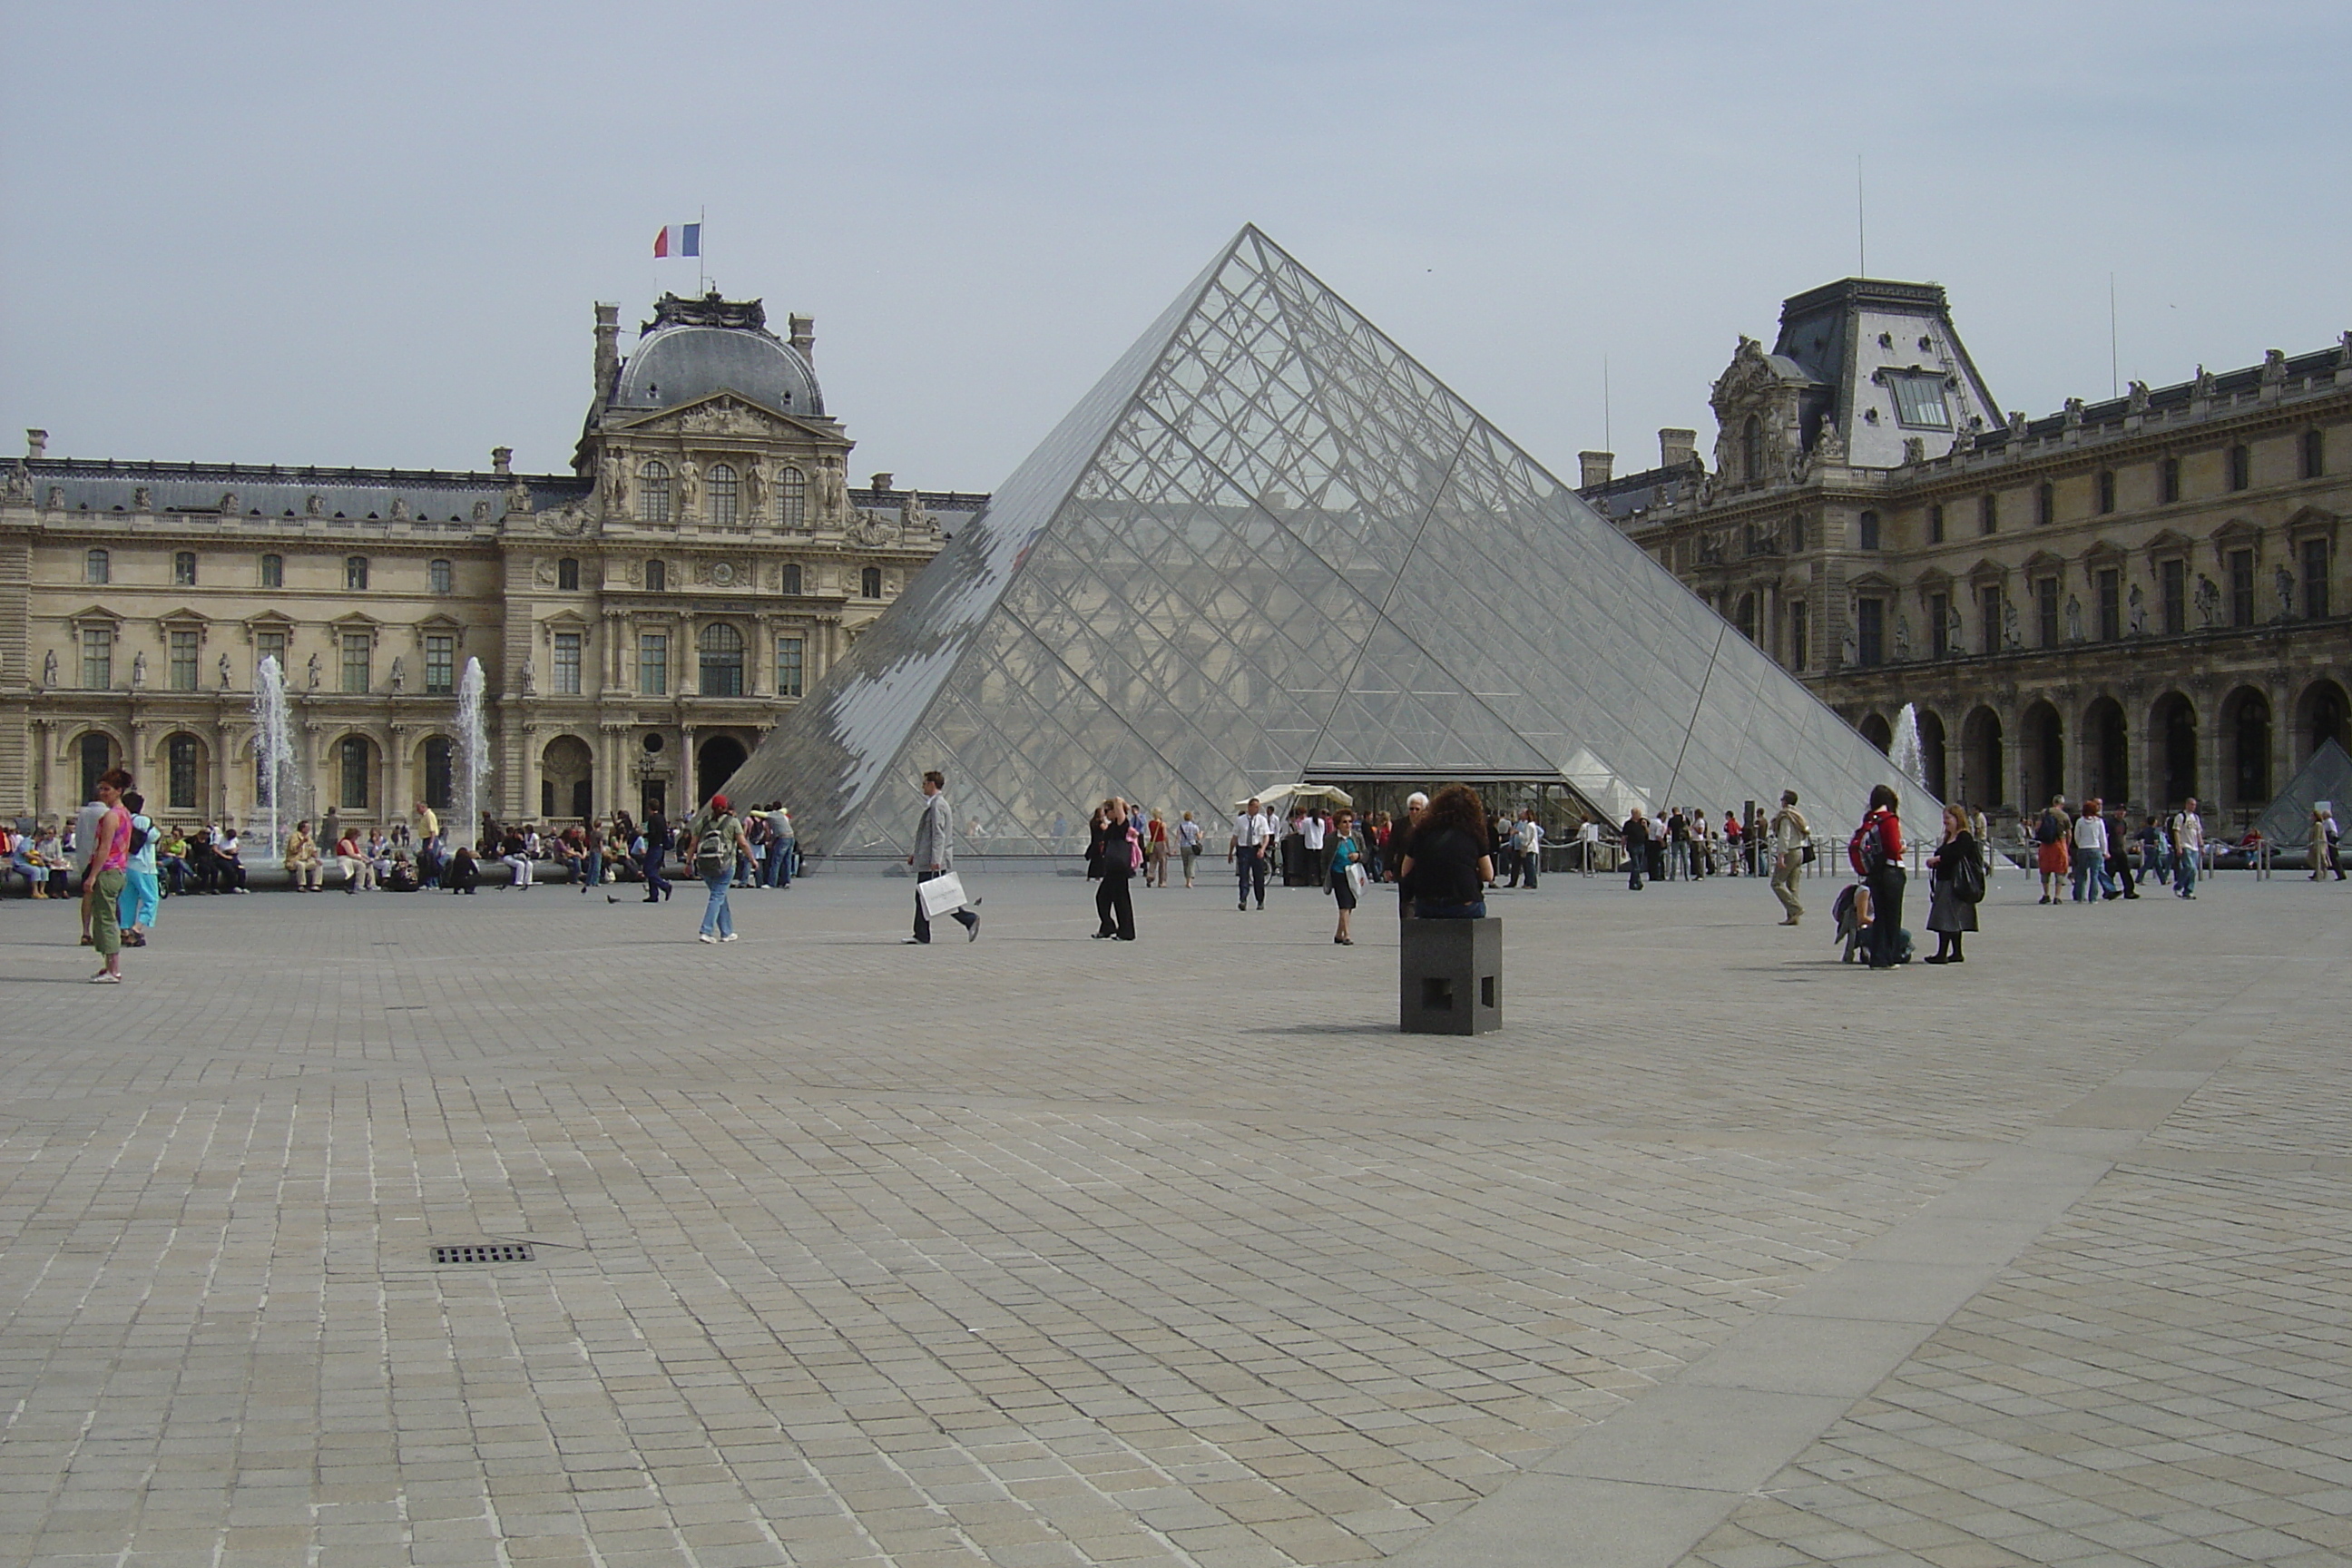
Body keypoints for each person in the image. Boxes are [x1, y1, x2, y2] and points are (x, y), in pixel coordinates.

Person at [1400, 784, 1494, 919]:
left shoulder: (1421, 832)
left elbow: (1405, 871)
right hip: (1464, 903)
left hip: (1427, 903)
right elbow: (1488, 875)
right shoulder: (1474, 833)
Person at [906, 769, 979, 944]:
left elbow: (938, 835)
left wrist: (935, 860)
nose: (922, 786)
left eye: (924, 783)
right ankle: (922, 934)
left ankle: (966, 919)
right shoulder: (938, 804)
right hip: (932, 858)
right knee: (930, 896)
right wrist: (916, 855)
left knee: (930, 896)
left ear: (932, 784)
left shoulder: (937, 805)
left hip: (934, 861)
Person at [83, 769, 134, 983]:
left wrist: (92, 875)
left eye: (106, 789)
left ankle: (114, 969)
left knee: (105, 919)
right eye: (100, 788)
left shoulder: (112, 816)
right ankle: (108, 966)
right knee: (106, 916)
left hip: (107, 871)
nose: (102, 793)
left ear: (118, 790)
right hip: (119, 870)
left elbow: (103, 848)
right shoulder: (125, 814)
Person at [1852, 785, 1906, 969]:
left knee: (1880, 915)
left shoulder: (1870, 819)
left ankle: (1876, 956)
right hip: (1891, 871)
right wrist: (1901, 848)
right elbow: (1893, 848)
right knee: (1892, 916)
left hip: (1874, 873)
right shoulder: (1889, 820)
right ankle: (1888, 957)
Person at [688, 792, 753, 944]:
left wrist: (688, 863)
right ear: (725, 807)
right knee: (717, 896)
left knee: (719, 896)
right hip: (725, 864)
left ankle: (727, 932)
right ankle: (706, 930)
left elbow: (693, 844)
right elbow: (743, 843)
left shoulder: (702, 822)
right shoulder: (733, 822)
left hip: (705, 865)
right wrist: (752, 859)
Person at [1925, 803, 1979, 964]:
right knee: (1954, 919)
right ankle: (1956, 952)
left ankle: (1942, 954)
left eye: (1948, 818)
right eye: (1944, 818)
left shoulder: (1964, 837)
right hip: (1945, 881)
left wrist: (1938, 859)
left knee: (1946, 919)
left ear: (1957, 818)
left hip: (1955, 883)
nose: (1945, 822)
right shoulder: (1949, 837)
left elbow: (1956, 855)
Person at [1089, 797, 1139, 940]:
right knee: (1102, 898)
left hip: (1119, 868)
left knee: (1121, 900)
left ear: (1115, 811)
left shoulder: (1121, 824)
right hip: (1112, 868)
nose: (1105, 813)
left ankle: (1126, 932)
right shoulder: (1111, 826)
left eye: (1107, 810)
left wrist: (1121, 804)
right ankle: (1108, 926)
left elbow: (1118, 800)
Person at [117, 790, 161, 947]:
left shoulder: (122, 819)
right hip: (144, 865)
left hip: (127, 864)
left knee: (127, 899)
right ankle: (138, 927)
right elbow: (154, 837)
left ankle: (125, 930)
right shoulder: (143, 820)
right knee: (152, 899)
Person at [1769, 789, 1809, 925]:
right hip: (1799, 851)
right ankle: (1793, 917)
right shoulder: (1798, 815)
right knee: (1793, 886)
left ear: (1785, 801)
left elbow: (1784, 837)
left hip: (1790, 852)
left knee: (1776, 883)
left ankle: (1796, 909)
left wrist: (1781, 855)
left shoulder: (1786, 817)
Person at [1230, 796, 1276, 912]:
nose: (1257, 809)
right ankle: (1243, 900)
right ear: (1249, 807)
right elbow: (1235, 837)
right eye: (1255, 807)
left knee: (1259, 877)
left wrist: (1262, 849)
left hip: (1256, 849)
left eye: (1258, 807)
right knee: (1243, 876)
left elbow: (1266, 836)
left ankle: (1260, 900)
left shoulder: (1261, 820)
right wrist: (1230, 852)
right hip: (1243, 849)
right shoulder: (1240, 820)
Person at [1328, 808, 1365, 944]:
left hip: (1353, 874)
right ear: (1338, 824)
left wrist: (1358, 856)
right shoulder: (1331, 839)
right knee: (1344, 904)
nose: (1347, 825)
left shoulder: (1356, 837)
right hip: (1338, 873)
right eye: (1344, 822)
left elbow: (1366, 854)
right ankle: (1347, 935)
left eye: (1349, 822)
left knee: (1350, 904)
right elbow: (1325, 857)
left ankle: (1338, 933)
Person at [1391, 791, 1427, 920]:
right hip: (1404, 870)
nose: (1413, 812)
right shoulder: (1400, 825)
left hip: (1424, 870)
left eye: (1417, 809)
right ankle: (1406, 927)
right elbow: (1391, 846)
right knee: (1405, 903)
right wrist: (1387, 868)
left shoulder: (1429, 825)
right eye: (1411, 809)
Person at [2071, 798, 2112, 903]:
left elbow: (2076, 836)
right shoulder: (2099, 822)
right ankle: (2093, 898)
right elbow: (2102, 838)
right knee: (2094, 874)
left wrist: (2081, 845)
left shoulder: (2080, 821)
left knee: (2081, 874)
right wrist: (2105, 851)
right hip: (2095, 848)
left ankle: (2080, 897)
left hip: (2083, 849)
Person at [2033, 796, 2071, 905]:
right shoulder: (2064, 815)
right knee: (2060, 870)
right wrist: (2067, 846)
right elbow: (2069, 833)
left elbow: (2037, 827)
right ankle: (2057, 896)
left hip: (2045, 844)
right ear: (2062, 804)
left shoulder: (2044, 812)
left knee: (2045, 870)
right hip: (2059, 843)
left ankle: (2046, 894)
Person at [2171, 799, 2204, 898]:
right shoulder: (2181, 816)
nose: (2193, 806)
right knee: (2190, 867)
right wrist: (2178, 846)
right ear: (2186, 805)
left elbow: (2198, 832)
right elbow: (2176, 831)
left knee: (2193, 870)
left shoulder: (2196, 818)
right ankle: (2178, 886)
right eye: (2191, 804)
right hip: (2185, 845)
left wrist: (2201, 845)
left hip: (2194, 847)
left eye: (2194, 805)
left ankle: (2188, 891)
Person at [639, 808, 671, 902]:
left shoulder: (652, 819)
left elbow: (653, 833)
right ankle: (653, 895)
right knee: (654, 870)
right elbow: (665, 832)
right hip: (661, 847)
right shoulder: (662, 818)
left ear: (649, 808)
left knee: (648, 870)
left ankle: (665, 886)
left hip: (654, 847)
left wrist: (645, 835)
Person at [282, 820, 323, 891]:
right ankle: (301, 885)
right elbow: (293, 849)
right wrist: (302, 842)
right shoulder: (294, 836)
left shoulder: (309, 838)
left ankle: (316, 885)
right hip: (294, 860)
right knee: (301, 865)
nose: (309, 829)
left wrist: (317, 859)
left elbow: (313, 850)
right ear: (302, 828)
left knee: (318, 864)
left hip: (306, 860)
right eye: (308, 827)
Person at [337, 827, 378, 892]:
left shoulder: (353, 842)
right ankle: (359, 884)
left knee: (369, 865)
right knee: (361, 865)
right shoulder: (346, 842)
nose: (357, 838)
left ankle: (371, 884)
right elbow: (351, 854)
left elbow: (359, 852)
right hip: (345, 859)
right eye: (356, 836)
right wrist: (362, 859)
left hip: (352, 858)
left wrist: (367, 858)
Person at [1622, 806, 1651, 891]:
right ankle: (1638, 882)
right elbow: (1624, 837)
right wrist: (1622, 849)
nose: (1640, 815)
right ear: (1633, 814)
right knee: (1636, 865)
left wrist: (1645, 826)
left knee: (1638, 866)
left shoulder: (1643, 822)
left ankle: (1632, 883)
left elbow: (1648, 834)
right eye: (1638, 814)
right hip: (1632, 845)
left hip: (1641, 845)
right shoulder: (1628, 824)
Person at [2313, 805, 2345, 880]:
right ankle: (2316, 873)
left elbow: (2333, 832)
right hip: (2327, 842)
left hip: (2330, 842)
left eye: (2323, 814)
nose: (2322, 816)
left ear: (2326, 815)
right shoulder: (2327, 822)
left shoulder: (2329, 822)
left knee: (2333, 859)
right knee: (2323, 857)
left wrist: (2332, 840)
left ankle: (2341, 874)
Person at [1144, 808, 1171, 889]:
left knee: (1152, 862)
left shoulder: (1150, 823)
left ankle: (1150, 876)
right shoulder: (1162, 824)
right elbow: (1165, 836)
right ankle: (1162, 881)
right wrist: (1168, 848)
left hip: (1152, 843)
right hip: (1160, 844)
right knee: (1162, 863)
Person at [1176, 810, 1202, 887]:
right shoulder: (1194, 827)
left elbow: (1178, 837)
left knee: (1185, 863)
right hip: (1192, 846)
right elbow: (1198, 837)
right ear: (1191, 818)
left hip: (1183, 846)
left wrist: (1175, 847)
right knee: (1191, 864)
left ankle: (1186, 879)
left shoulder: (1180, 826)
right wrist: (1202, 833)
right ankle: (1189, 881)